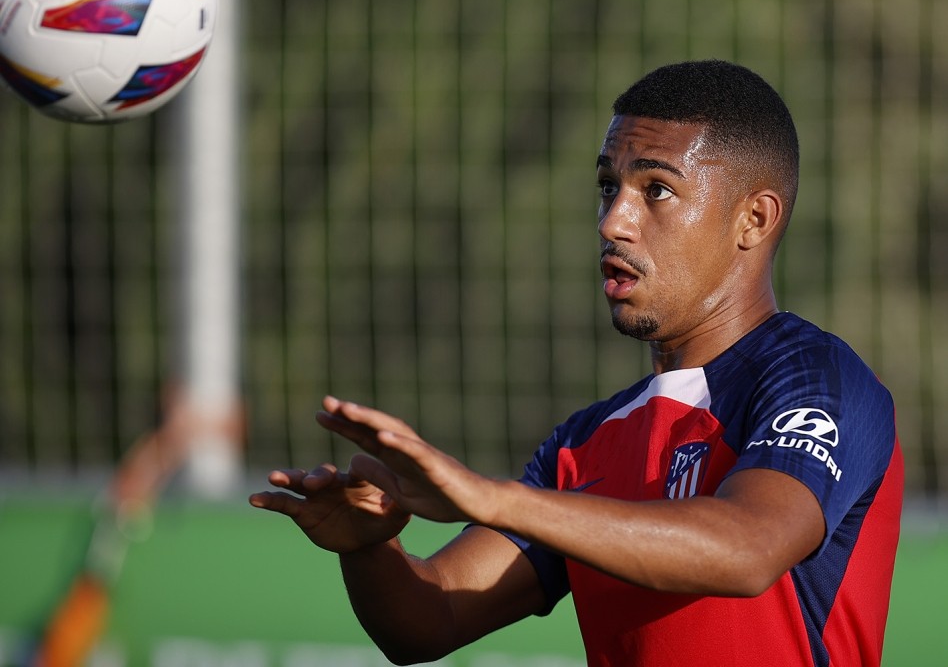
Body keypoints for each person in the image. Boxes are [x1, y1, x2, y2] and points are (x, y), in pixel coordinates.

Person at [250, 59, 903, 667]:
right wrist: (370, 547)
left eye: (657, 190)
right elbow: (431, 616)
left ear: (753, 220)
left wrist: (490, 497)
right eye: (607, 187)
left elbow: (748, 547)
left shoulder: (817, 378)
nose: (613, 219)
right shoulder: (584, 444)